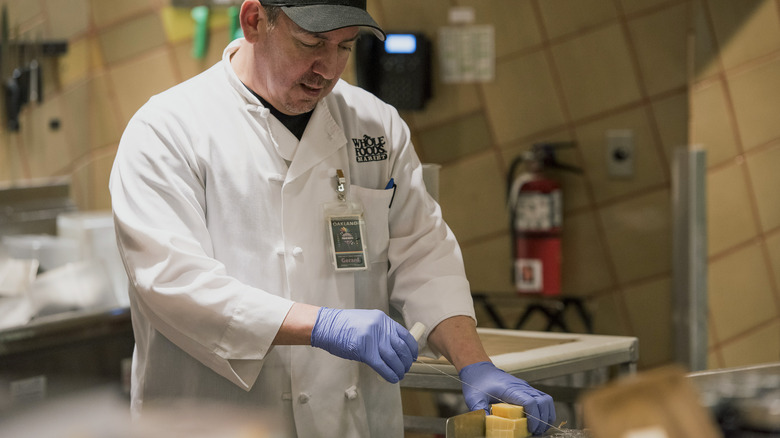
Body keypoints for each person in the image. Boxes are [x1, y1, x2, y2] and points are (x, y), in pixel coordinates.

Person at [109, 0, 555, 436]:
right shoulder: (167, 131)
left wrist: (473, 362)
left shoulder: (375, 125)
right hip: (218, 421)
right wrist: (324, 326)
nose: (328, 68)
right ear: (254, 20)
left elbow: (423, 251)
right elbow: (172, 283)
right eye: (311, 43)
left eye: (345, 46)